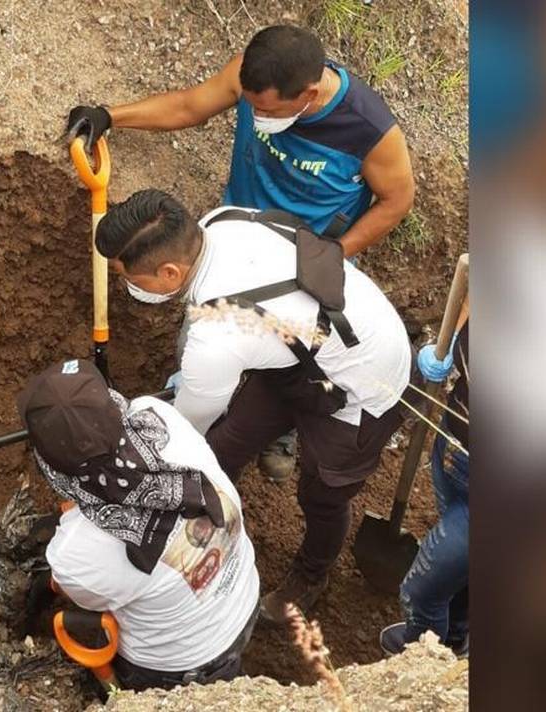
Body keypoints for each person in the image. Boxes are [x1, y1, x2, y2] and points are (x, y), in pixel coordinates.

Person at [66, 24, 414, 483]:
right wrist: (110, 115)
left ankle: (280, 430)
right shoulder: (254, 78)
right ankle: (211, 391)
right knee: (210, 340)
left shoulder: (367, 129)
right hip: (236, 239)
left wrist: (328, 255)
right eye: (250, 104)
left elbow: (398, 199)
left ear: (308, 94)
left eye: (265, 109)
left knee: (298, 350)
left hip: (305, 270)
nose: (255, 112)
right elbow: (190, 105)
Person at [93, 189, 411, 624]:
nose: (126, 285)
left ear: (169, 272)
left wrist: (130, 452)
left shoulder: (218, 336)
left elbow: (182, 432)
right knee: (225, 448)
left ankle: (311, 575)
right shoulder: (223, 221)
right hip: (296, 357)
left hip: (362, 386)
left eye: (127, 276)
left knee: (321, 493)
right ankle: (213, 516)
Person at [17, 358, 260, 691]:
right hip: (244, 599)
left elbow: (86, 594)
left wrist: (51, 580)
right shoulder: (159, 416)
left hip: (181, 667)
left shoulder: (76, 554)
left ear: (53, 469)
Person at [380, 318, 469, 657]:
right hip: (453, 451)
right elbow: (469, 280)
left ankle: (424, 655)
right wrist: (453, 338)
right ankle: (458, 637)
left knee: (421, 593)